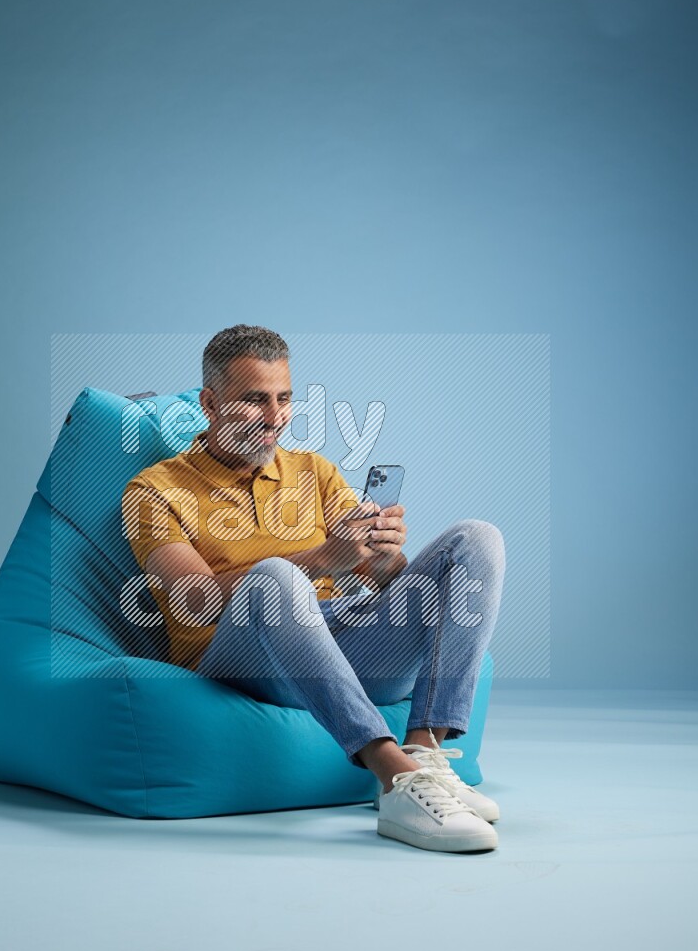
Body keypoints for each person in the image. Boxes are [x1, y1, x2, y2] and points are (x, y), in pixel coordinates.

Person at [122, 324, 506, 853]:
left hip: (337, 639)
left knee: (476, 539)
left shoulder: (314, 472)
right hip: (240, 661)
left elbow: (382, 579)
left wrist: (383, 554)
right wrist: (325, 556)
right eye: (254, 401)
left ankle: (425, 758)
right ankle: (392, 778)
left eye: (284, 399)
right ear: (210, 403)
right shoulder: (154, 489)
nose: (276, 418)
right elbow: (194, 598)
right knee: (275, 577)